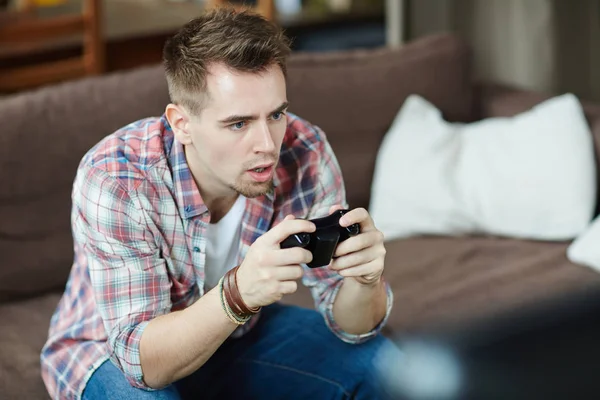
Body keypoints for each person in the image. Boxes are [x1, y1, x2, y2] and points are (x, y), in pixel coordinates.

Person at [40, 7, 394, 400]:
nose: (267, 144)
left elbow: (352, 324)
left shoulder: (304, 150)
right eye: (238, 123)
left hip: (236, 336)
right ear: (182, 124)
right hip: (111, 353)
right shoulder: (117, 178)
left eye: (276, 114)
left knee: (389, 369)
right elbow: (143, 364)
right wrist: (238, 293)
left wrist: (365, 282)